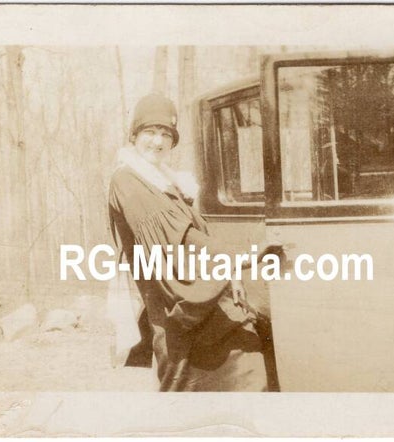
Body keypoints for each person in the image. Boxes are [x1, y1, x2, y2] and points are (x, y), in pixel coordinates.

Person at [108, 93, 279, 392]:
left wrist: (231, 272)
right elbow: (179, 238)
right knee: (205, 392)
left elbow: (195, 234)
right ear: (134, 135)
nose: (158, 142)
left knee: (251, 370)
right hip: (179, 311)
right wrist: (241, 257)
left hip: (200, 304)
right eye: (150, 132)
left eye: (166, 134)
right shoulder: (127, 180)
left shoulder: (165, 182)